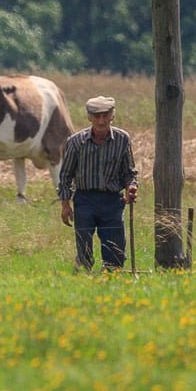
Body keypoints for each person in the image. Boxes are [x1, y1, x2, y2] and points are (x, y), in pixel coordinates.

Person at [57, 95, 139, 271]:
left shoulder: (122, 139)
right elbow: (65, 176)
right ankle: (84, 276)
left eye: (105, 115)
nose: (101, 121)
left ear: (112, 116)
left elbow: (129, 173)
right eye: (96, 116)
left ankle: (110, 278)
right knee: (84, 248)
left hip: (112, 201)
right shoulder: (76, 142)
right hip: (85, 200)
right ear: (89, 117)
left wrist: (131, 187)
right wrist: (65, 205)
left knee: (115, 253)